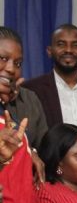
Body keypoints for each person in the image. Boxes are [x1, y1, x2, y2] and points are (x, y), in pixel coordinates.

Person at [23, 24, 77, 138]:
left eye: (75, 45)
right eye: (61, 44)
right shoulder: (30, 90)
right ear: (49, 51)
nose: (68, 50)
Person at [0, 26, 48, 182]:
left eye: (18, 63)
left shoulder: (29, 100)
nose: (11, 69)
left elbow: (46, 151)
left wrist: (31, 151)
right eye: (3, 58)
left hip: (24, 198)